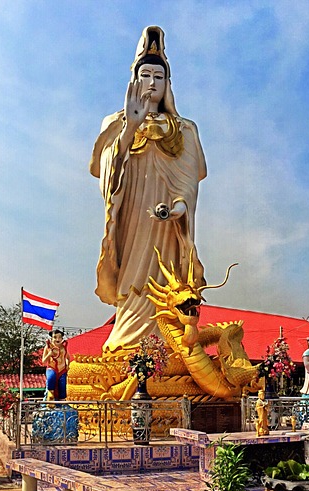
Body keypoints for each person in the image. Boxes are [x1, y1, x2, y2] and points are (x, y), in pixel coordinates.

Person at [91, 26, 207, 351]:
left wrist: (177, 210)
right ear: (134, 80)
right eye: (146, 75)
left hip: (168, 228)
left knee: (166, 282)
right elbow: (106, 179)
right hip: (133, 221)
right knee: (133, 279)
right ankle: (128, 338)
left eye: (159, 76)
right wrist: (130, 128)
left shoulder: (184, 130)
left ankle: (167, 343)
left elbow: (188, 187)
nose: (152, 83)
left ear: (168, 83)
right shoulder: (115, 122)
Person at [41, 329, 70, 401]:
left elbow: (68, 357)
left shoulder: (63, 348)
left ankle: (62, 400)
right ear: (51, 338)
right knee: (51, 378)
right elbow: (43, 361)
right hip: (52, 368)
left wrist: (67, 365)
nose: (57, 339)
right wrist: (49, 354)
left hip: (62, 369)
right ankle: (50, 396)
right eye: (55, 337)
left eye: (60, 337)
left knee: (63, 385)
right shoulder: (48, 348)